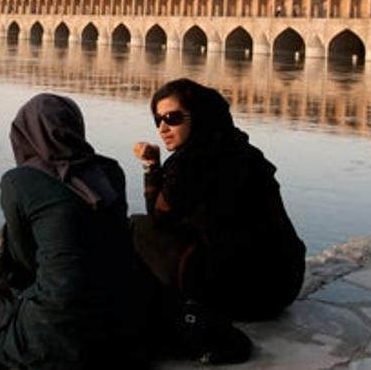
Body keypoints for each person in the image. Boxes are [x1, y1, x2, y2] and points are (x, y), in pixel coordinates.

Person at [130, 79, 305, 364]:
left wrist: (151, 168)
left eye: (172, 118)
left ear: (197, 116)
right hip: (283, 287)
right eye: (158, 120)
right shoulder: (244, 152)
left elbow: (158, 218)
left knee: (137, 229)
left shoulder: (191, 164)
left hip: (242, 296)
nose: (163, 128)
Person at [0, 94, 138, 370]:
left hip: (60, 329)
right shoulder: (111, 171)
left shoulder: (19, 181)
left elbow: (24, 259)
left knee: (6, 280)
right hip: (120, 315)